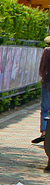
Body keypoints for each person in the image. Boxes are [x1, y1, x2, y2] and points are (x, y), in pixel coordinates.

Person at [39, 36, 50, 171]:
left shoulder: (47, 51)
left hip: (47, 83)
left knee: (45, 109)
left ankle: (44, 132)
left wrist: (45, 77)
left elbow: (41, 69)